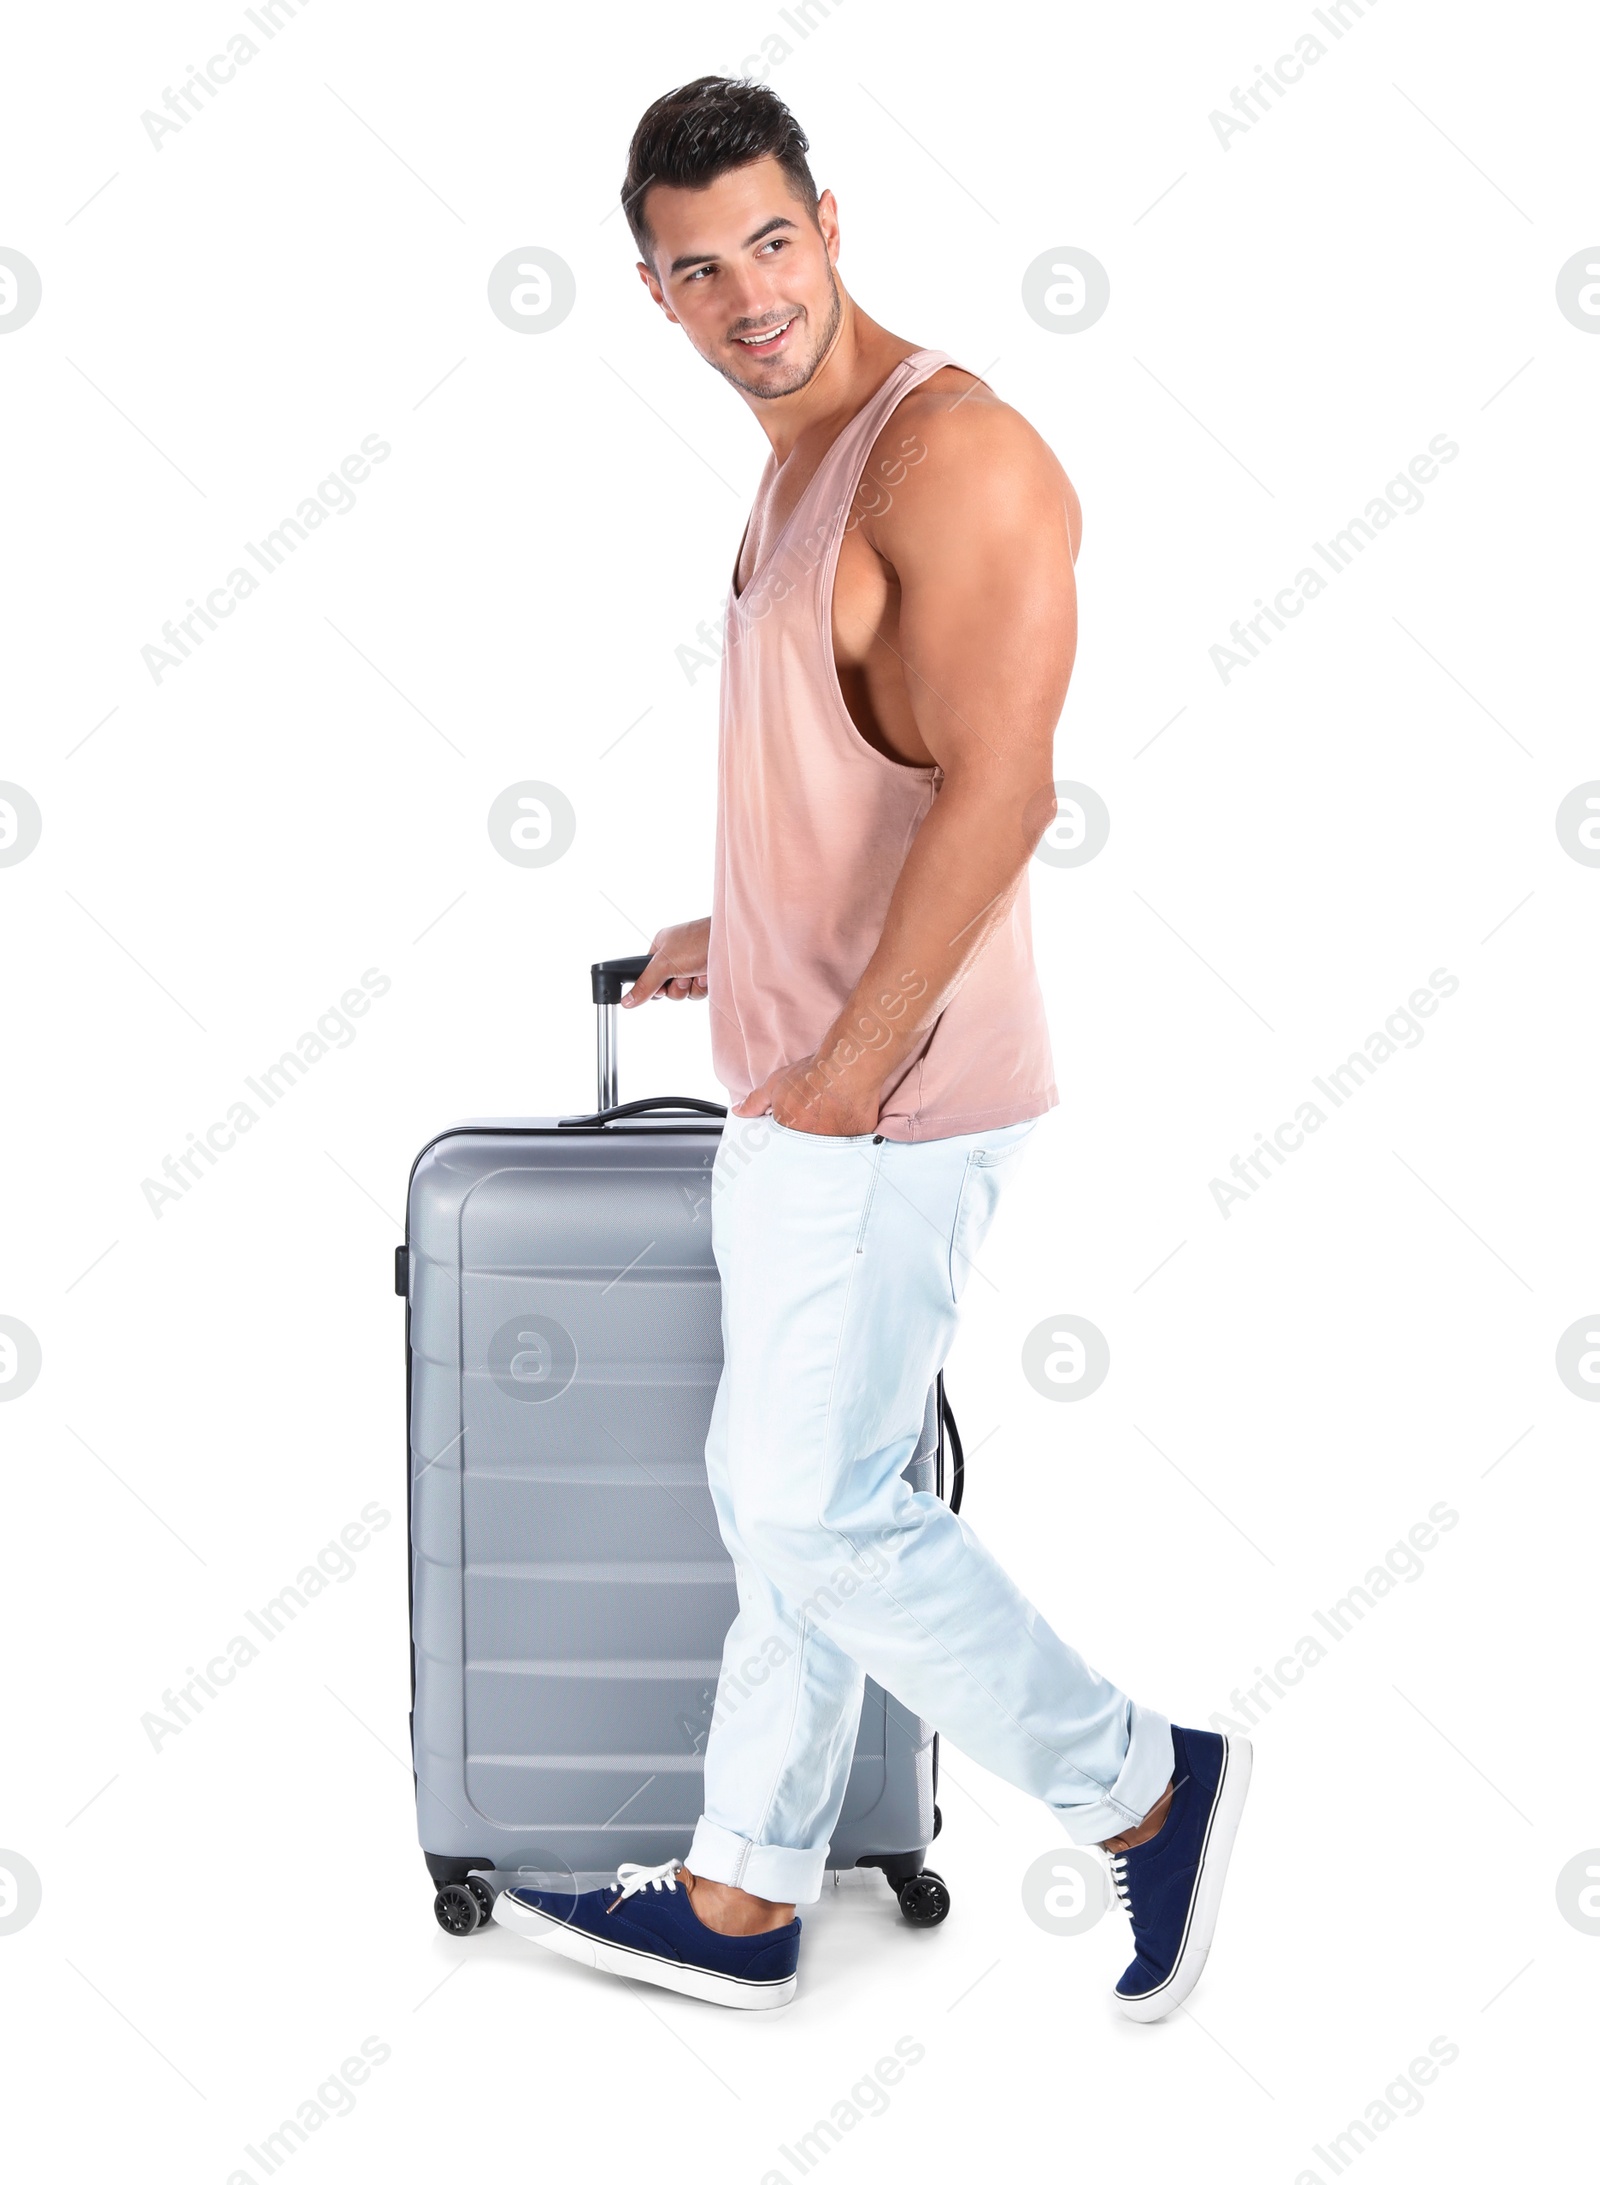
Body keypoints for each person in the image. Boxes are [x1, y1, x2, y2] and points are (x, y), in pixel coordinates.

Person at [494, 75, 1250, 2018]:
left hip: (884, 1099)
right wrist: (729, 935)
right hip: (803, 1071)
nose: (747, 292)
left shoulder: (953, 458)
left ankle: (1138, 1786)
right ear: (651, 294)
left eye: (768, 240)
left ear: (831, 220)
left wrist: (847, 1064)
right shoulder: (794, 457)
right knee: (792, 1496)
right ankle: (745, 1892)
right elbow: (864, 773)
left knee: (811, 1503)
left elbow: (999, 793)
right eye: (696, 268)